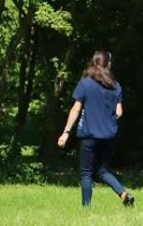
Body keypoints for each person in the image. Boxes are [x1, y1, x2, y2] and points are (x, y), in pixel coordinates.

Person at [57, 50, 135, 207]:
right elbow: (119, 112)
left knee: (86, 173)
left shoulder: (85, 84)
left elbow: (75, 109)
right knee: (102, 171)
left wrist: (66, 132)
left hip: (89, 135)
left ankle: (86, 208)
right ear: (109, 65)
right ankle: (124, 194)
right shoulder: (116, 86)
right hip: (108, 136)